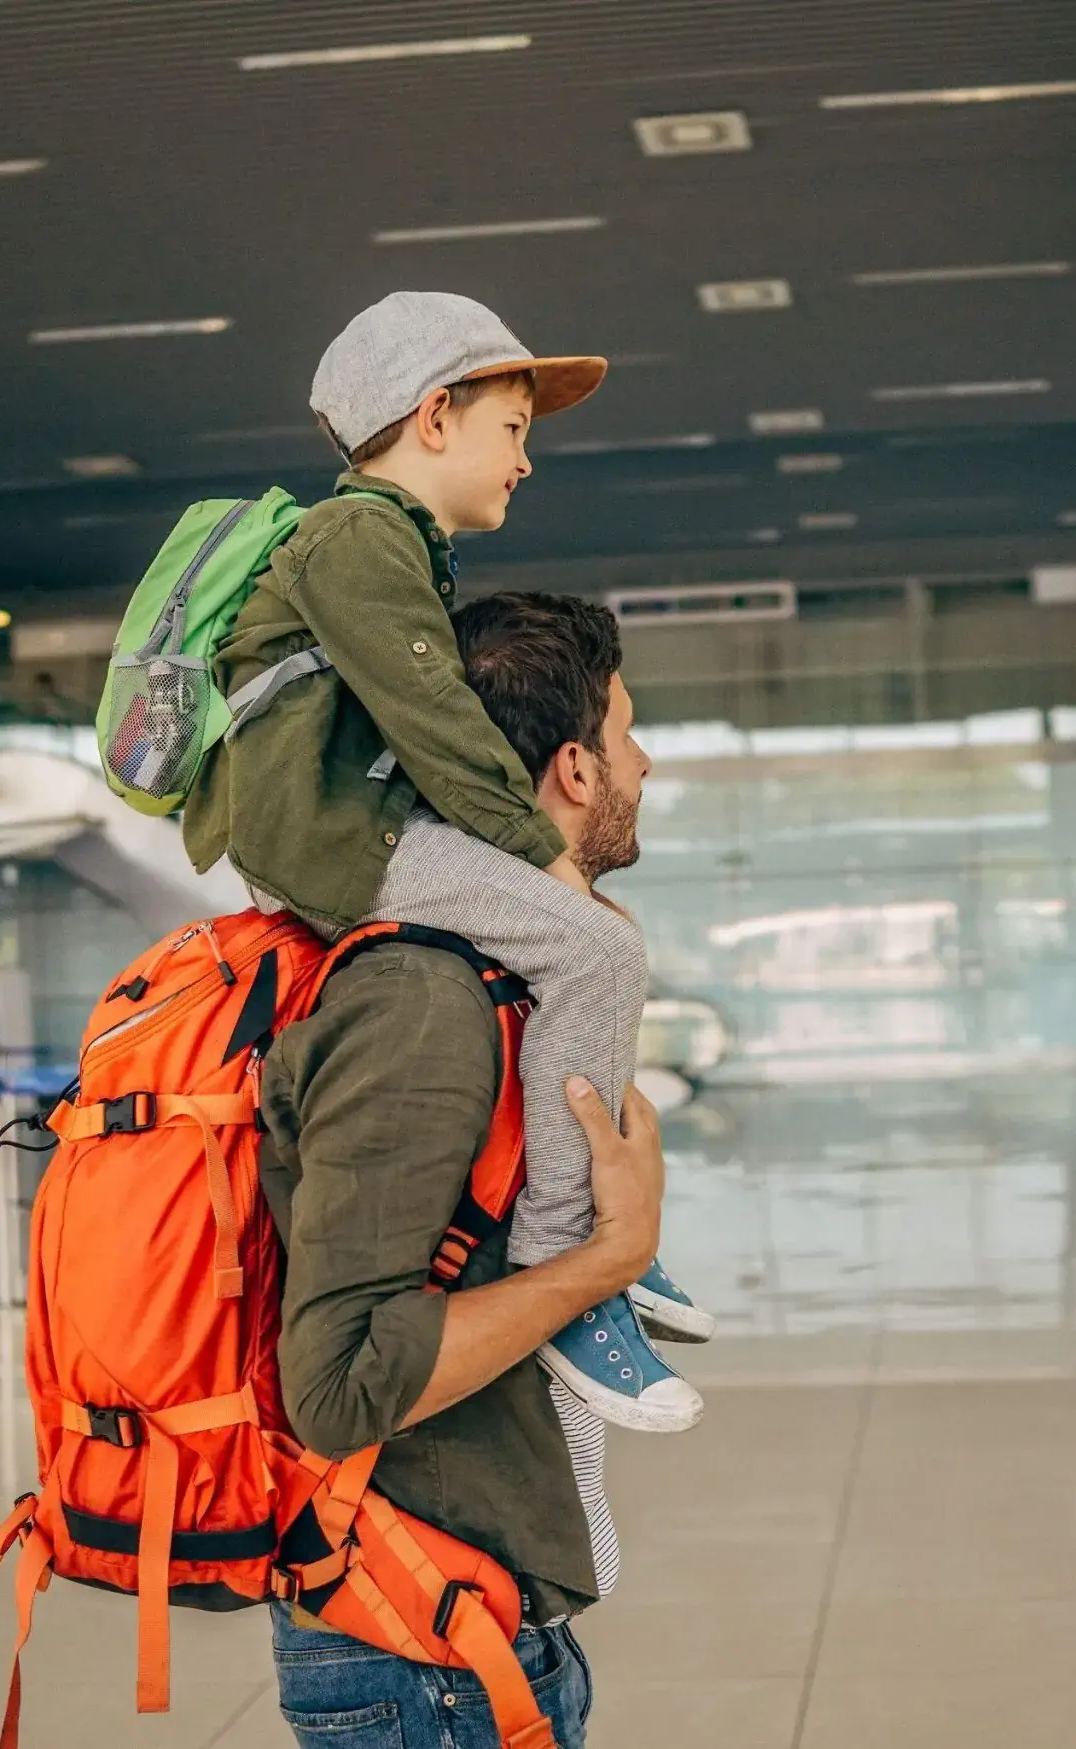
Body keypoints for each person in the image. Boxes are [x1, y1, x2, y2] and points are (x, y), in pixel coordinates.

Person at [183, 291, 711, 1438]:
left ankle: (585, 1257)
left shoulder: (387, 545)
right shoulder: (359, 537)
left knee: (579, 951)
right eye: (512, 429)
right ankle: (572, 1274)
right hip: (332, 843)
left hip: (339, 829)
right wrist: (539, 859)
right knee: (593, 945)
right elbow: (432, 715)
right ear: (434, 417)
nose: (525, 462)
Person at [256, 593, 664, 1747]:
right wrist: (606, 1262)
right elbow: (334, 1392)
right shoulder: (421, 1003)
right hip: (417, 1651)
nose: (647, 760)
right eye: (631, 734)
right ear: (575, 771)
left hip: (468, 1628)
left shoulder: (501, 981)